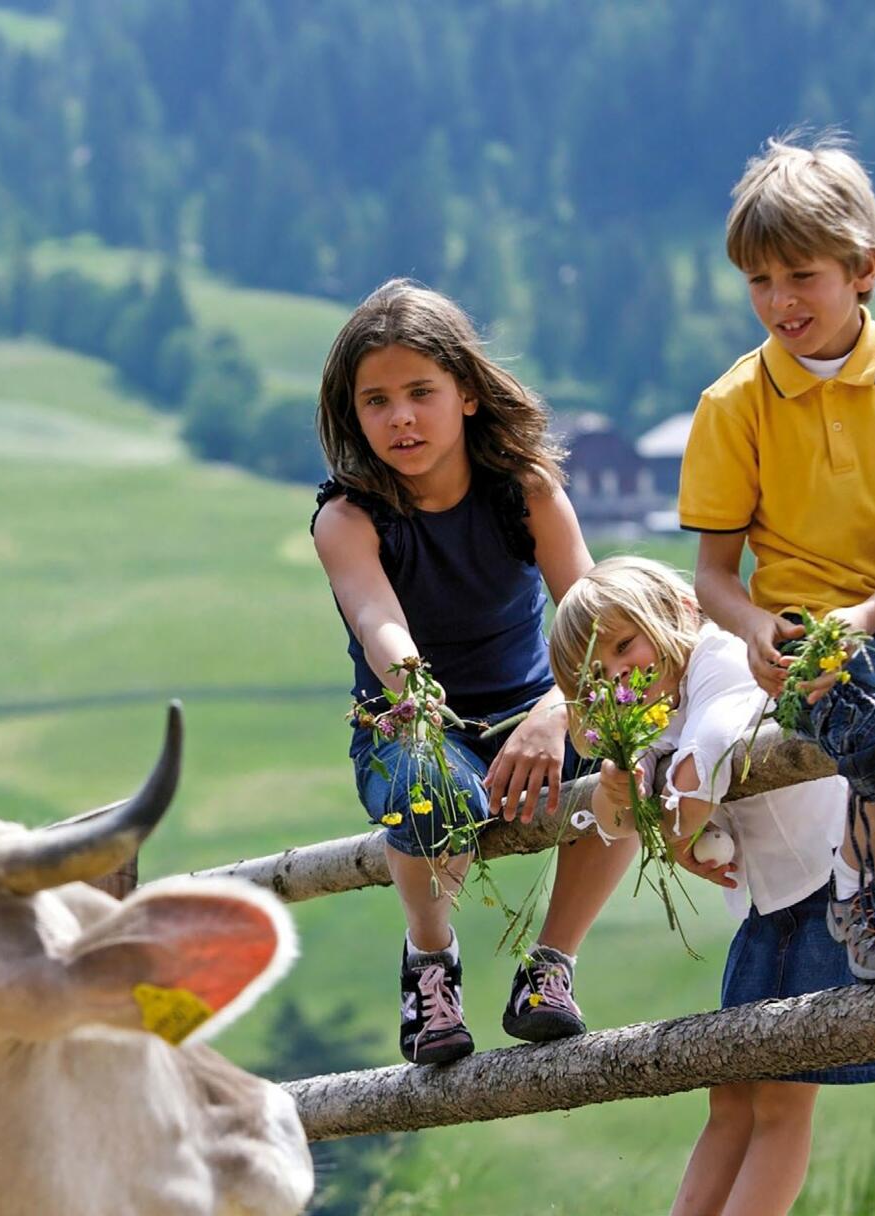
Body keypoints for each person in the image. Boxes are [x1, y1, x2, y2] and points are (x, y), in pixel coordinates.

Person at [679, 132, 875, 982]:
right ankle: (861, 885)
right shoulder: (733, 404)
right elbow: (714, 574)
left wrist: (867, 615)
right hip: (818, 639)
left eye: (801, 276)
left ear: (864, 266)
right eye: (759, 280)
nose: (779, 300)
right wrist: (755, 627)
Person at [548, 556, 875, 1216]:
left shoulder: (724, 659)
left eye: (625, 645)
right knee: (731, 1093)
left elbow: (709, 752)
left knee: (784, 1093)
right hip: (773, 904)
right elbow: (619, 824)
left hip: (834, 879)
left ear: (676, 614)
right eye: (597, 674)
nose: (618, 673)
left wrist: (676, 832)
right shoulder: (655, 703)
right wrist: (622, 788)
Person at [311, 279, 637, 1066]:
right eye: (377, 401)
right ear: (353, 415)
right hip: (411, 720)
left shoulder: (527, 492)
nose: (401, 418)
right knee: (435, 788)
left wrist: (559, 710)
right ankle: (430, 959)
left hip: (539, 706)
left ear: (466, 392)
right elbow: (378, 619)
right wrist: (418, 697)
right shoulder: (347, 518)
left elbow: (597, 623)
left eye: (421, 391)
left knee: (634, 745)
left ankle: (550, 967)